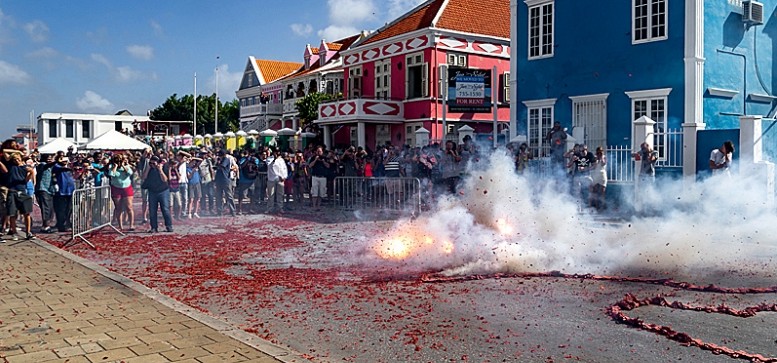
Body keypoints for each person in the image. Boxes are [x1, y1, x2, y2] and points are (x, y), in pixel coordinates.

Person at [3, 152, 35, 240]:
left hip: (22, 191)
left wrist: (31, 173)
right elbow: (5, 152)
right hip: (12, 191)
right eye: (14, 159)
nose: (16, 160)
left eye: (18, 158)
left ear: (21, 158)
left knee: (26, 213)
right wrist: (17, 152)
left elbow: (26, 180)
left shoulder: (25, 167)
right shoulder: (11, 166)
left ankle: (28, 232)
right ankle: (14, 233)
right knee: (12, 213)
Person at [141, 156, 172, 233]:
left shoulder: (164, 167)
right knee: (152, 210)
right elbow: (143, 177)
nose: (152, 165)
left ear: (158, 163)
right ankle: (154, 227)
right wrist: (148, 168)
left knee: (165, 209)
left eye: (153, 163)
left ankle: (169, 226)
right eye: (150, 163)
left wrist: (160, 170)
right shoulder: (149, 169)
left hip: (163, 191)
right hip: (152, 191)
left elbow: (165, 179)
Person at [107, 154, 135, 230]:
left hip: (127, 188)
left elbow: (130, 173)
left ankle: (131, 225)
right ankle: (120, 226)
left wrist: (123, 166)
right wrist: (115, 167)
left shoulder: (126, 166)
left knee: (129, 207)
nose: (118, 162)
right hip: (116, 188)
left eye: (120, 160)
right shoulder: (111, 167)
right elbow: (111, 174)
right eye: (117, 161)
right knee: (118, 207)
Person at [51, 155, 76, 232]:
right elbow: (61, 168)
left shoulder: (70, 167)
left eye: (65, 160)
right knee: (61, 210)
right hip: (61, 192)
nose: (64, 162)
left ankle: (67, 223)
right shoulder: (57, 166)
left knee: (69, 209)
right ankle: (61, 225)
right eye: (62, 160)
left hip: (70, 191)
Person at [35, 154, 57, 233]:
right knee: (46, 208)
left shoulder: (51, 167)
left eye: (50, 158)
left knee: (50, 208)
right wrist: (56, 161)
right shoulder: (42, 165)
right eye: (48, 158)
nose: (49, 160)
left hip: (50, 190)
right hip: (42, 189)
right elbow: (46, 166)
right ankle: (45, 226)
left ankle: (47, 225)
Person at [214, 149, 237, 217]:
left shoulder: (226, 159)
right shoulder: (221, 160)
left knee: (229, 196)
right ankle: (219, 211)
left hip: (225, 180)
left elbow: (222, 166)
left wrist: (218, 162)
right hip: (219, 180)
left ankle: (233, 211)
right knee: (219, 196)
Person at [265, 148, 288, 214]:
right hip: (271, 178)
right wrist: (274, 158)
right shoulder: (269, 159)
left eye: (278, 152)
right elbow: (269, 163)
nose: (277, 153)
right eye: (276, 152)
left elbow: (284, 169)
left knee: (280, 194)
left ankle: (280, 208)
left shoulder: (281, 160)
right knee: (270, 195)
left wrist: (284, 177)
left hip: (280, 179)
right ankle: (270, 208)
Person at [308, 146, 329, 210]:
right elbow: (310, 166)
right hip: (315, 176)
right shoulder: (313, 158)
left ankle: (318, 206)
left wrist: (323, 161)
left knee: (321, 192)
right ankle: (314, 206)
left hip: (323, 177)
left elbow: (328, 166)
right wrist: (315, 160)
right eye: (318, 151)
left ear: (322, 152)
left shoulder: (325, 158)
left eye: (320, 151)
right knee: (314, 192)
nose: (319, 152)